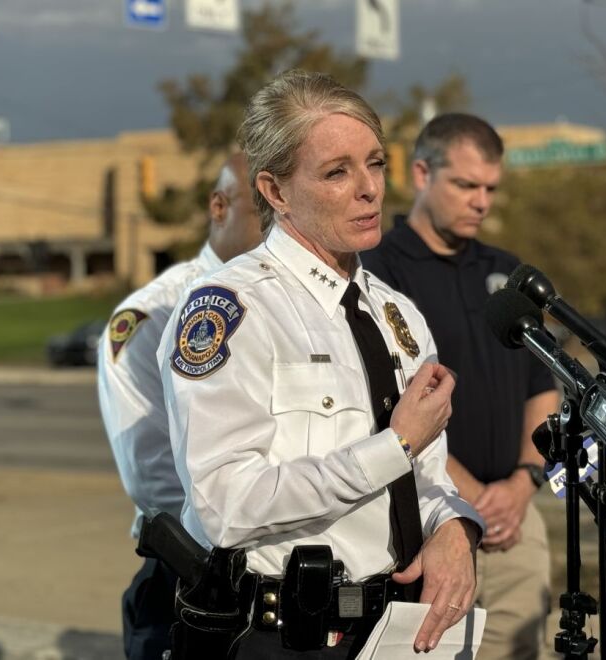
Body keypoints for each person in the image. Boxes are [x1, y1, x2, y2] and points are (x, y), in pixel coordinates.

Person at [157, 70, 483, 658]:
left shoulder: (395, 313)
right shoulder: (233, 309)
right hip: (281, 634)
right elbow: (227, 504)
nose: (370, 190)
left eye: (376, 164)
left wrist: (455, 527)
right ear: (276, 192)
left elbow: (429, 476)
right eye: (337, 171)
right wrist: (393, 447)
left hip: (394, 630)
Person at [362, 113, 559, 660]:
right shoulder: (378, 270)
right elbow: (389, 407)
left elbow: (542, 387)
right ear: (422, 173)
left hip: (516, 520)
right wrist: (471, 499)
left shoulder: (507, 272)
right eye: (466, 185)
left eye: (491, 188)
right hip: (431, 520)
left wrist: (523, 483)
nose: (481, 202)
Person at [97, 153, 261, 660]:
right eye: (265, 211)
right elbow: (152, 473)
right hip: (192, 578)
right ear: (219, 205)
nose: (283, 227)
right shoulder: (155, 313)